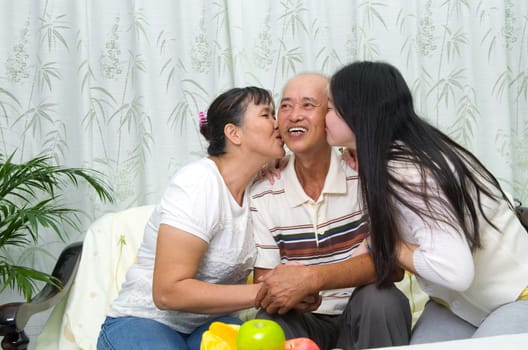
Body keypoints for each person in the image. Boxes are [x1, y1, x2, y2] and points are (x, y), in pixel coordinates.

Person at [325, 60, 528, 344]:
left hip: (516, 297)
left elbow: (454, 271)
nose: (325, 115)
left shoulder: (410, 172)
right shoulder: (387, 160)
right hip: (458, 307)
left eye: (331, 107)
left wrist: (386, 245)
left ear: (358, 112)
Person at [96, 86, 285, 350]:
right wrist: (267, 294)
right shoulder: (197, 183)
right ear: (234, 133)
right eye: (267, 115)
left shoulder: (261, 188)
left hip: (208, 324)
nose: (279, 123)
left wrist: (353, 154)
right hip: (144, 319)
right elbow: (167, 292)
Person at [250, 73, 412, 350]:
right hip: (303, 319)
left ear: (332, 116)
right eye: (286, 106)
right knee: (269, 320)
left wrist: (313, 279)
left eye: (308, 105)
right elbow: (266, 281)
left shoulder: (364, 175)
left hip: (362, 309)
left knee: (382, 299)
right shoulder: (263, 191)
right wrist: (295, 294)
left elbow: (392, 266)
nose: (294, 115)